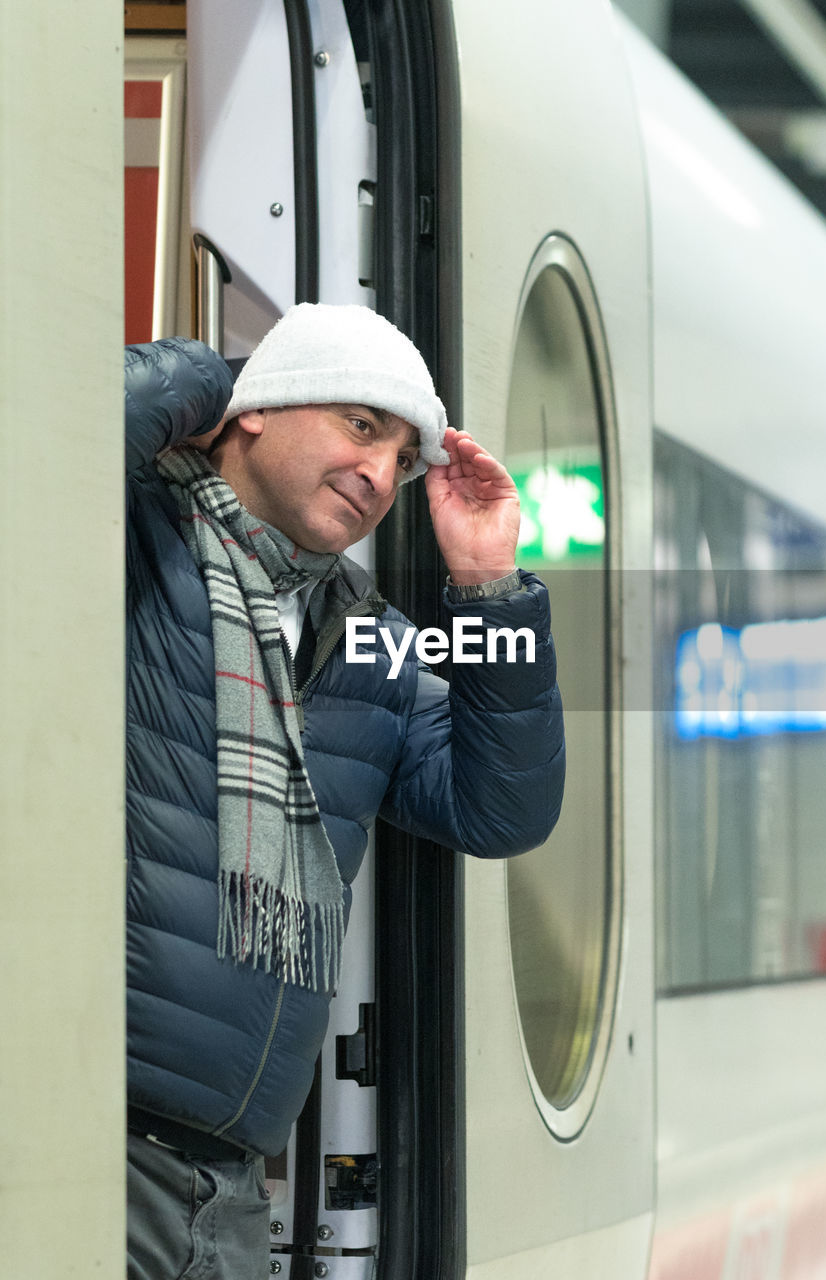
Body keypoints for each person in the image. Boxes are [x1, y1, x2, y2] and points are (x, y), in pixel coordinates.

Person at [125, 302, 565, 1279]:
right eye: (360, 425)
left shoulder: (368, 646)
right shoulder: (135, 537)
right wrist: (205, 372)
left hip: (227, 1182)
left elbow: (501, 804)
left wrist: (490, 583)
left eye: (403, 457)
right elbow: (52, 428)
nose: (378, 474)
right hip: (91, 1139)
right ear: (262, 408)